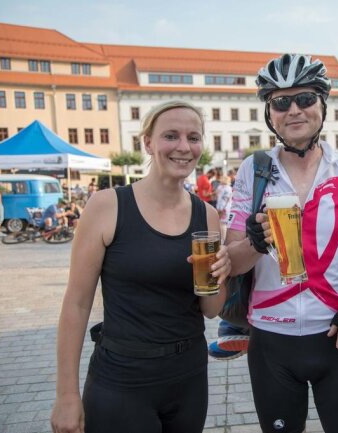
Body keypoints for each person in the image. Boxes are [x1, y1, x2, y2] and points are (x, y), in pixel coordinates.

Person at [50, 101, 231, 433]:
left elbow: (211, 309)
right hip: (122, 379)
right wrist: (66, 395)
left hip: (188, 376)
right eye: (170, 136)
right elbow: (76, 305)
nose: (183, 147)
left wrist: (222, 272)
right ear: (147, 142)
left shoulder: (206, 215)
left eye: (193, 137)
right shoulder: (107, 206)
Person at [224, 53, 338, 432]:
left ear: (323, 104)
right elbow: (232, 261)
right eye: (281, 102)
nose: (294, 110)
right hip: (272, 338)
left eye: (305, 99)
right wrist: (255, 243)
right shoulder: (254, 171)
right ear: (269, 114)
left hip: (336, 335)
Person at [214, 175, 233, 239]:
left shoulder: (219, 187)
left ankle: (220, 238)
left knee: (220, 223)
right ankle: (224, 238)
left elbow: (216, 196)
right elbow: (228, 199)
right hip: (226, 207)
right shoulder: (229, 188)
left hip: (219, 206)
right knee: (224, 224)